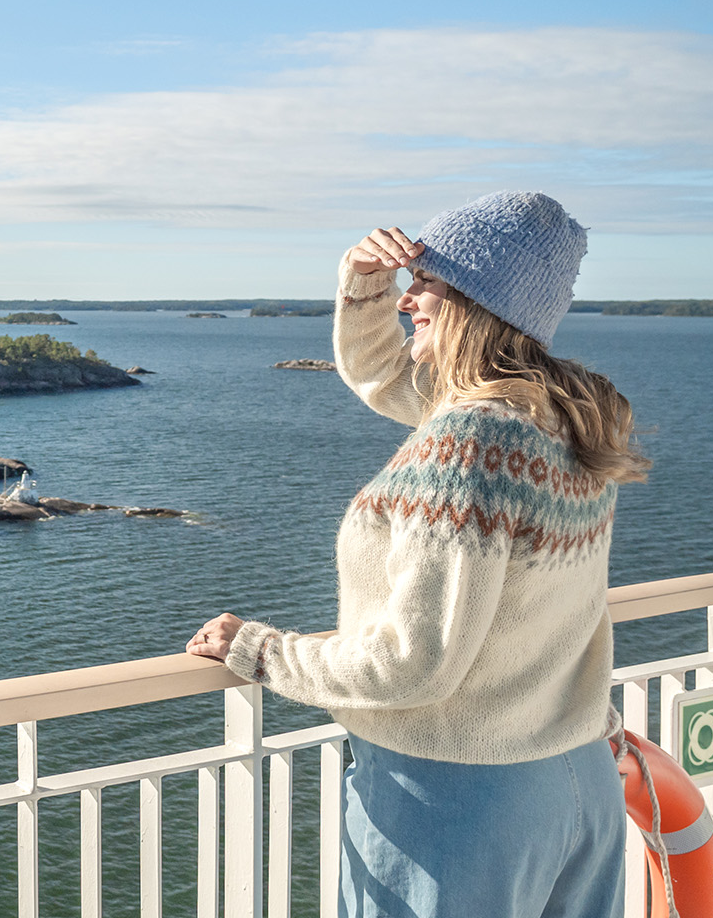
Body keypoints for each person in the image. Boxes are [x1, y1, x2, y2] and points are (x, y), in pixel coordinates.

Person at [185, 191, 649, 917]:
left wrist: (260, 650)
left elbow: (414, 663)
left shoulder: (469, 441)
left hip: (458, 799)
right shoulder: (561, 420)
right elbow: (383, 375)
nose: (409, 301)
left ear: (476, 299)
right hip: (577, 784)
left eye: (425, 283)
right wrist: (362, 279)